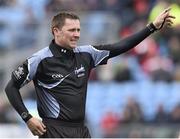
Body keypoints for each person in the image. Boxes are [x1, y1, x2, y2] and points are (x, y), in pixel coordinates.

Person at [5, 8, 175, 138]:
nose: (77, 35)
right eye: (71, 30)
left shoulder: (86, 54)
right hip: (54, 131)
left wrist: (152, 27)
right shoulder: (40, 59)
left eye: (78, 30)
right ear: (56, 31)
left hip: (81, 130)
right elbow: (11, 87)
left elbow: (120, 46)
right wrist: (27, 118)